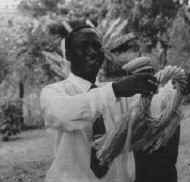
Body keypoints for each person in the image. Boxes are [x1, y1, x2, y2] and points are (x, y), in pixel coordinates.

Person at [40, 20, 159, 182]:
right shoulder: (53, 93)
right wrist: (116, 90)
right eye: (83, 46)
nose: (92, 52)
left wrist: (177, 88)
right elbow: (65, 114)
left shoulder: (120, 93)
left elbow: (154, 109)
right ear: (68, 54)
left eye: (97, 46)